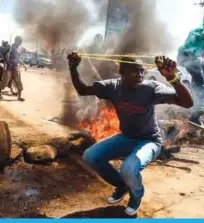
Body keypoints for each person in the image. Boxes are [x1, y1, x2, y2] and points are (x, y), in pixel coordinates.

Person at [67, 52, 193, 216]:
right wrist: (73, 69)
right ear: (122, 72)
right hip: (126, 137)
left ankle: (136, 195)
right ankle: (122, 184)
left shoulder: (151, 89)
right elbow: (83, 90)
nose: (140, 75)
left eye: (142, 71)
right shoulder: (113, 87)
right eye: (135, 71)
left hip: (149, 141)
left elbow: (187, 102)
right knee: (90, 156)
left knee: (128, 168)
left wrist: (173, 78)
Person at [0, 36, 26, 101]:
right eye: (19, 41)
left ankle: (19, 97)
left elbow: (18, 58)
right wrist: (7, 61)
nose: (20, 42)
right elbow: (4, 54)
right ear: (15, 40)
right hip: (9, 67)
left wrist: (24, 64)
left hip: (16, 67)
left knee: (18, 82)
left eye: (21, 41)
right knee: (5, 81)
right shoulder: (10, 47)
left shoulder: (20, 48)